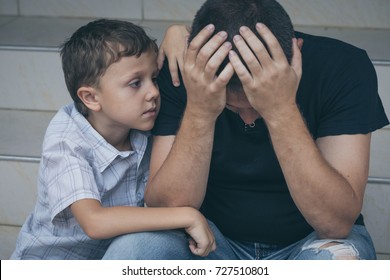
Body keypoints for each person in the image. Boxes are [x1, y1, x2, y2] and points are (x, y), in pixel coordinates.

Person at [103, 0, 389, 260]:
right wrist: (201, 109)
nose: (249, 115)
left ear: (294, 53)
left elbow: (335, 223)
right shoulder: (185, 71)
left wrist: (279, 109)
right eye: (233, 106)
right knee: (130, 251)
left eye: (257, 102)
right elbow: (168, 208)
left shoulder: (343, 67)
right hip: (210, 241)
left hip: (312, 242)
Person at [10, 19, 215, 260]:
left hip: (113, 257)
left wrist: (174, 32)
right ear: (91, 98)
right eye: (135, 83)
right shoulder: (66, 140)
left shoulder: (140, 122)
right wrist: (187, 216)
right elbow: (94, 221)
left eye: (155, 78)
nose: (154, 92)